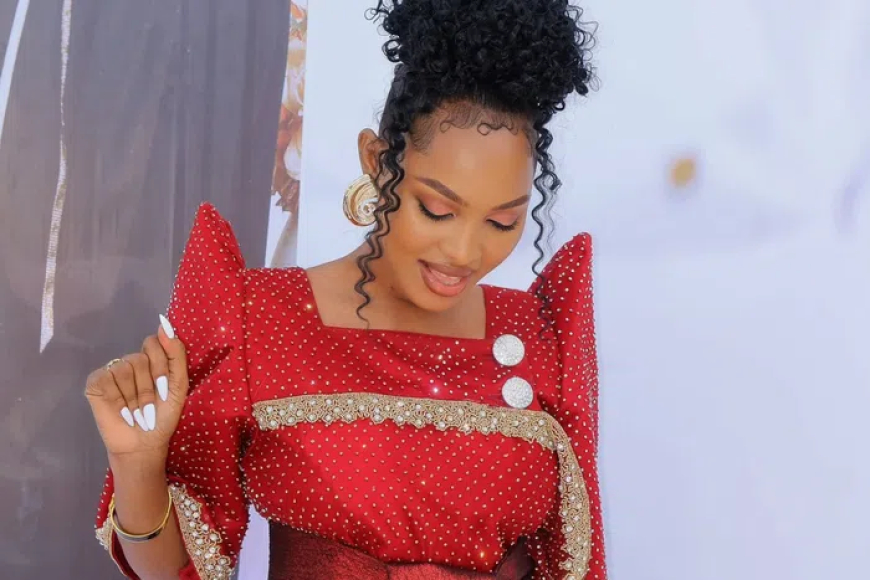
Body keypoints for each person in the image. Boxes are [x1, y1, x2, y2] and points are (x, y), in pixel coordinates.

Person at [85, 0, 605, 578]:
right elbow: (177, 569)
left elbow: (578, 566)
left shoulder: (544, 337)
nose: (464, 252)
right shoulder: (256, 318)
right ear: (377, 161)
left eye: (502, 221)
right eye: (437, 210)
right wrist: (138, 464)